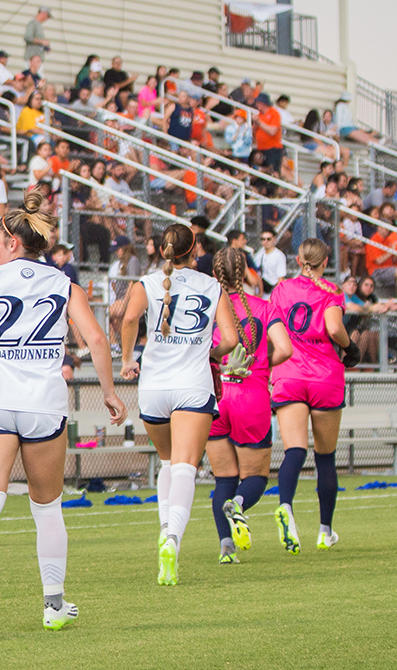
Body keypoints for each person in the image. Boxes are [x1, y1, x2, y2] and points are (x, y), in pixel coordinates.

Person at [0, 188, 126, 636]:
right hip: (43, 404)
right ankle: (53, 604)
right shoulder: (63, 284)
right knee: (46, 508)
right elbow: (98, 341)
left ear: (13, 242)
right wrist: (108, 391)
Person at [116, 224, 239, 586]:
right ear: (194, 249)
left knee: (168, 462)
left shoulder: (148, 284)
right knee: (186, 466)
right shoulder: (211, 286)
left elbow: (127, 318)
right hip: (192, 386)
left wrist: (127, 358)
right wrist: (209, 353)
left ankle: (164, 527)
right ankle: (172, 539)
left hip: (154, 386)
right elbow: (231, 338)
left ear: (161, 250)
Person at [205, 247, 293, 565]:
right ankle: (239, 505)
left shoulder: (208, 307)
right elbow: (285, 348)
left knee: (223, 479)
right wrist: (263, 365)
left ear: (215, 275)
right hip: (251, 395)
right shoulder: (263, 307)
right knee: (255, 476)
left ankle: (226, 547)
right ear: (246, 273)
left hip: (216, 396)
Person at [266, 238, 354, 554]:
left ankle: (286, 506)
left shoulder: (281, 290)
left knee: (294, 450)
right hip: (324, 376)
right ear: (324, 261)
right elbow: (333, 328)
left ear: (299, 259)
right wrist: (350, 346)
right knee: (325, 457)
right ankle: (325, 530)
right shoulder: (331, 291)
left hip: (289, 374)